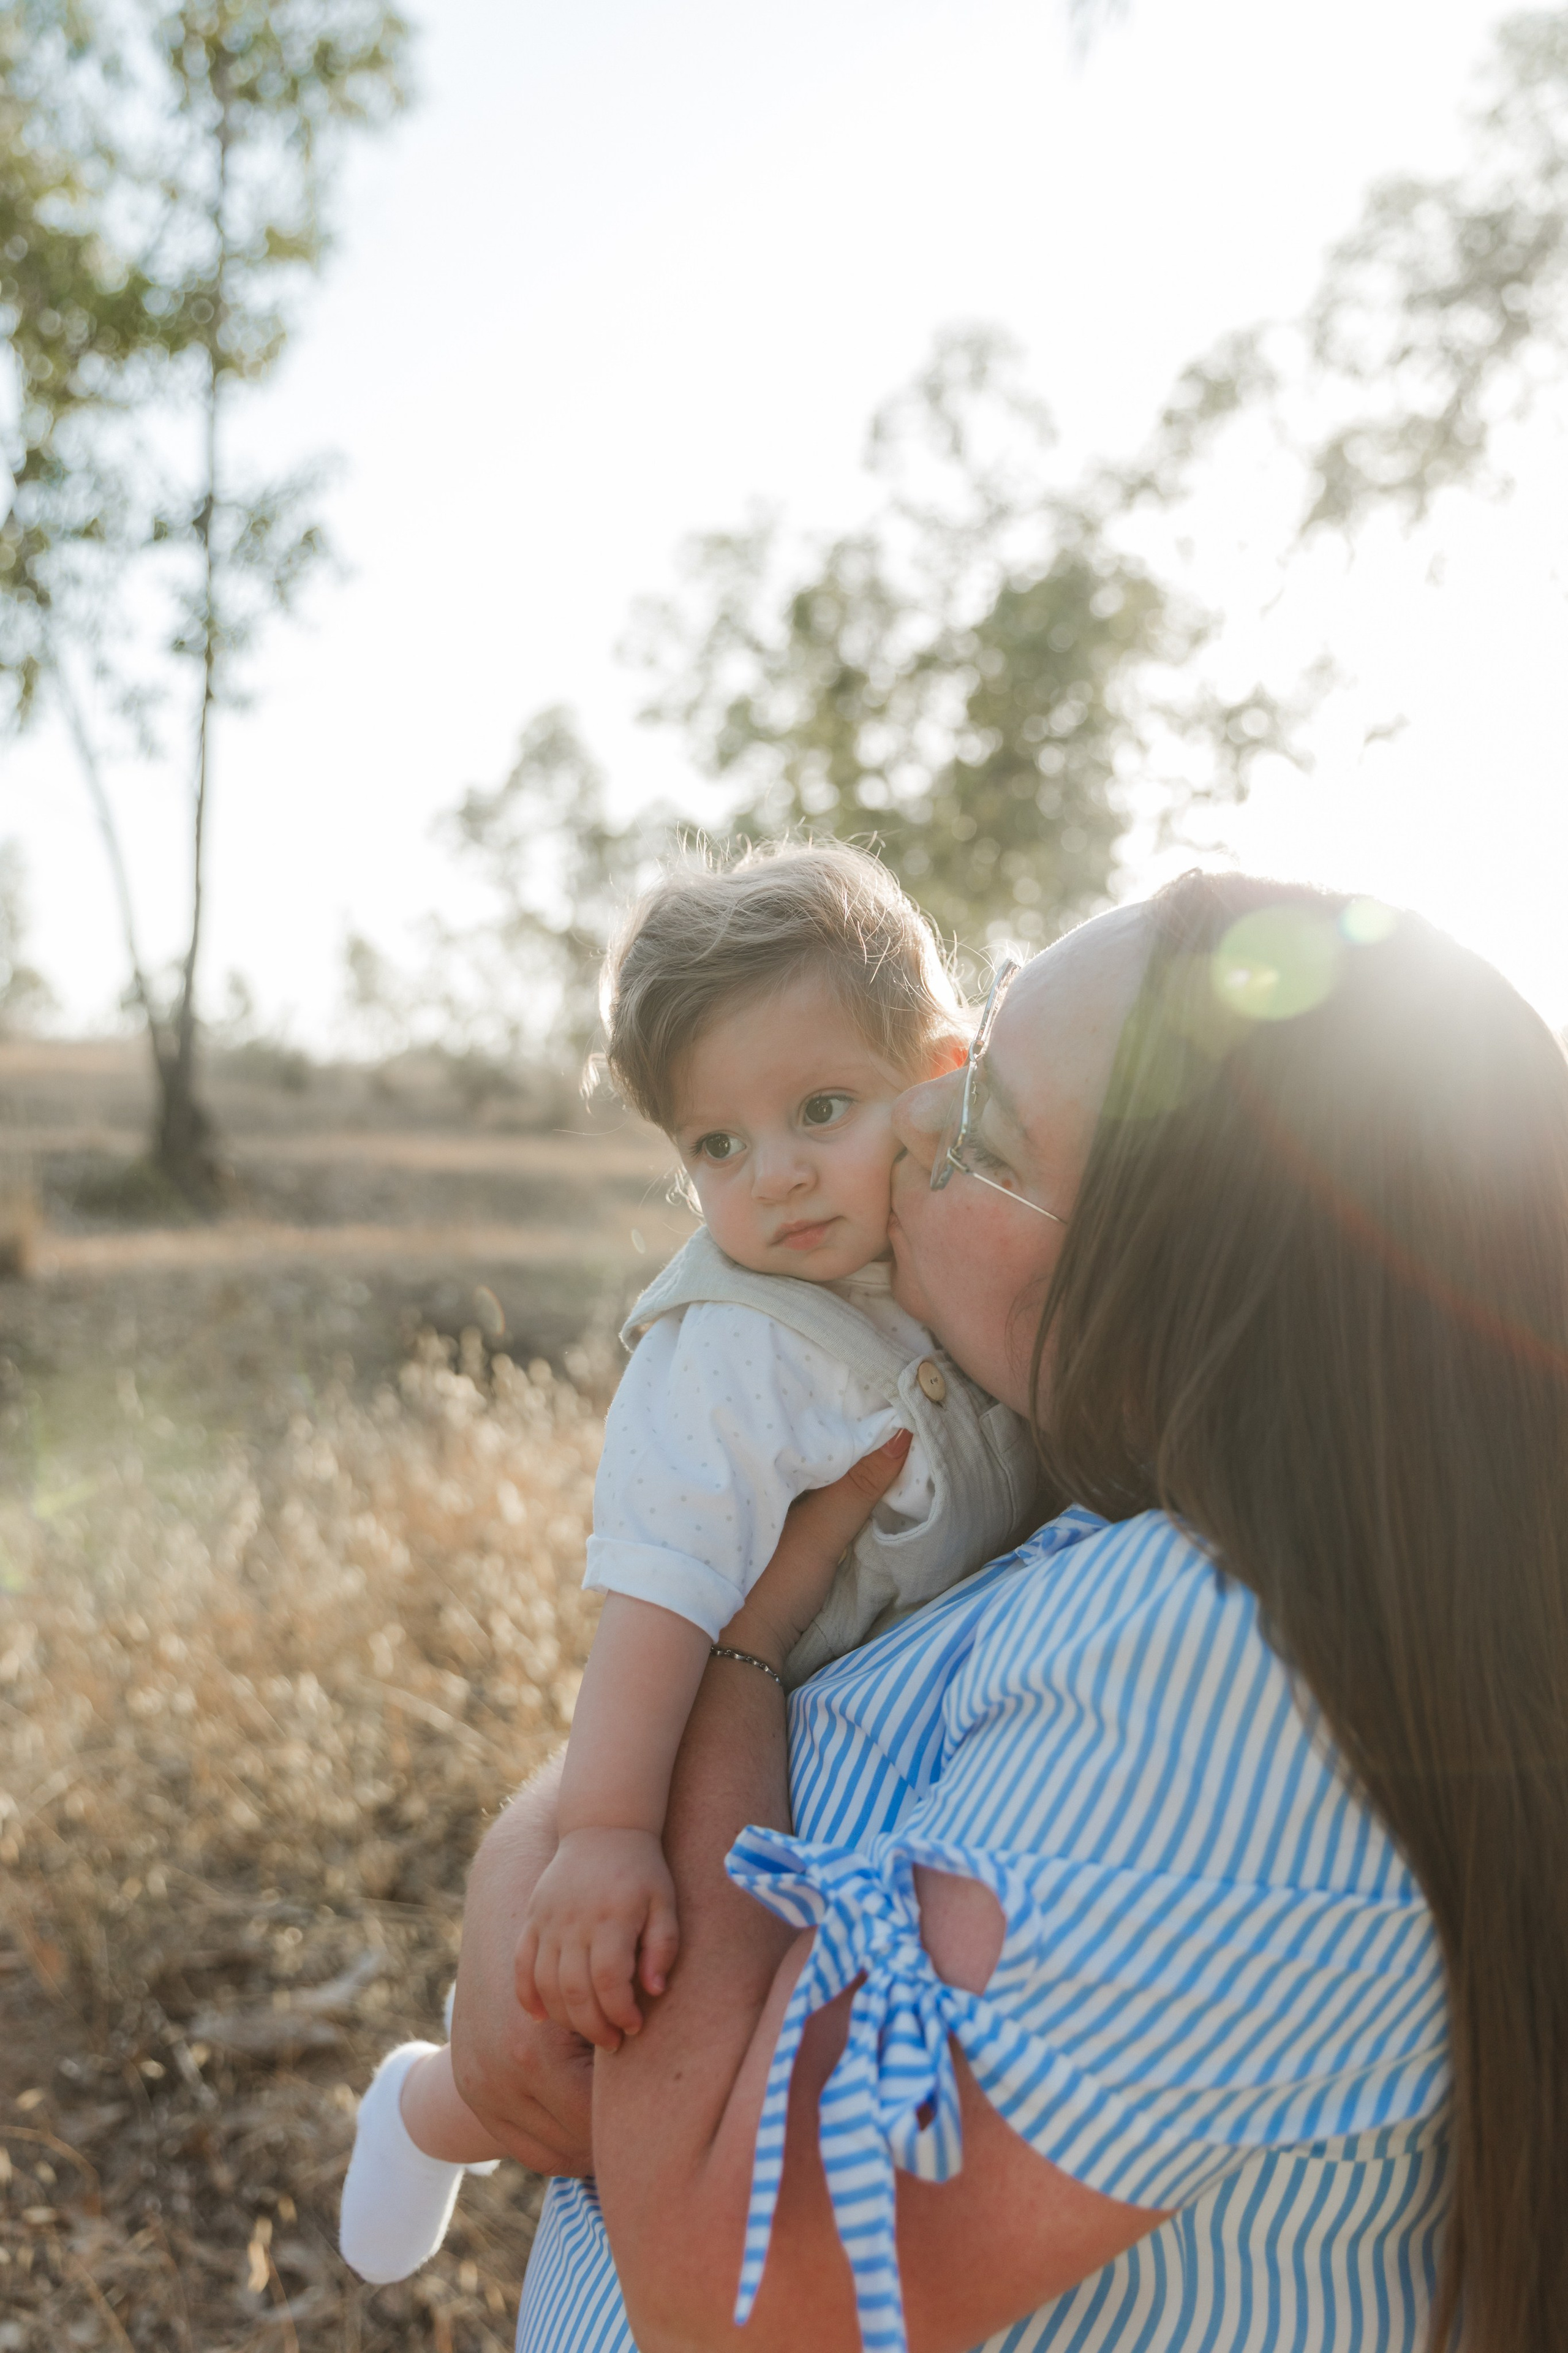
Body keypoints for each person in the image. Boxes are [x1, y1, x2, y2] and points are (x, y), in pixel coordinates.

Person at [448, 867, 1568, 2353]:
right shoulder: (1083, 1532)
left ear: (1162, 1282)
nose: (909, 1124)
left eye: (980, 1124)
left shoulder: (1217, 1671)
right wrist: (534, 1864)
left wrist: (736, 1653)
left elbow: (740, 2298)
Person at [337, 844, 1036, 2284]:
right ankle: (431, 2103)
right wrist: (599, 1834)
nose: (772, 1176)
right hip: (728, 1768)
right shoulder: (732, 1351)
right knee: (604, 2040)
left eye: (819, 1111)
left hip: (883, 1773)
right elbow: (654, 1608)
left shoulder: (946, 1264)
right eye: (714, 1147)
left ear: (941, 1073)